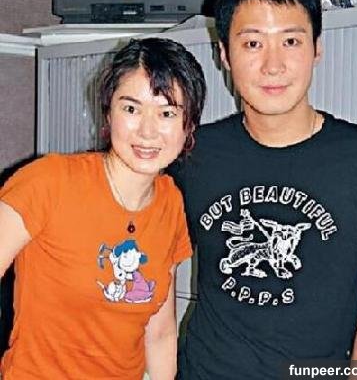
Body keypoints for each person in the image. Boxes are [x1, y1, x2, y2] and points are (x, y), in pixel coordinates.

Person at [169, 0, 357, 380]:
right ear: (224, 54)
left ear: (317, 49)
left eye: (291, 41)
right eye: (252, 43)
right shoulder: (193, 154)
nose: (272, 65)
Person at [0, 37, 206, 380]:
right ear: (108, 112)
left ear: (189, 126)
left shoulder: (170, 202)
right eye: (131, 109)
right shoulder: (49, 181)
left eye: (167, 113)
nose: (147, 130)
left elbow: (159, 333)